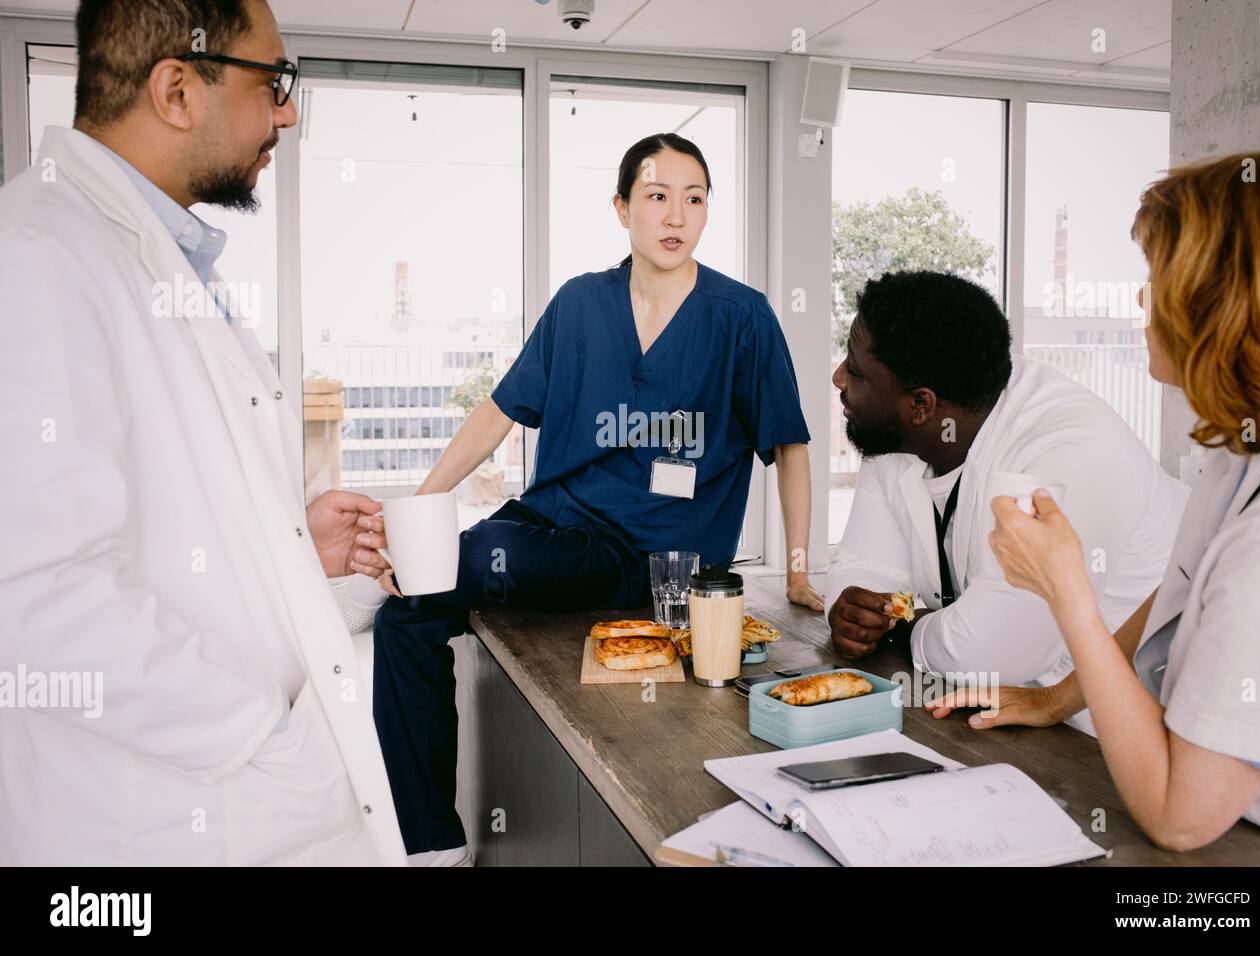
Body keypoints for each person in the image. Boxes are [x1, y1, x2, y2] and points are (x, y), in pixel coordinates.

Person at [0, 0, 405, 865]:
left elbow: (172, 521)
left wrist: (295, 543)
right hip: (156, 824)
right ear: (177, 89)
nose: (287, 113)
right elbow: (30, 593)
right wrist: (259, 728)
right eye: (274, 83)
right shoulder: (39, 254)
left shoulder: (150, 254)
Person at [366, 133, 817, 865]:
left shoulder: (742, 318)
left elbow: (790, 446)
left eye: (694, 198)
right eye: (656, 196)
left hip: (645, 558)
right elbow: (499, 411)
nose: (676, 214)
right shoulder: (580, 304)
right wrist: (417, 513)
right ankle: (431, 846)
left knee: (482, 554)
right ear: (622, 208)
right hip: (549, 524)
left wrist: (797, 568)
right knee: (404, 617)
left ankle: (435, 561)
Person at [938, 144, 1260, 849]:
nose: (1141, 298)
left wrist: (1067, 591)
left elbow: (1178, 818)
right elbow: (1178, 596)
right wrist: (1056, 698)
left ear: (1223, 304)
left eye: (1158, 275)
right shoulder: (1241, 456)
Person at [826, 271, 1186, 734]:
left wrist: (901, 625)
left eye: (854, 371)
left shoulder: (1068, 453)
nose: (837, 377)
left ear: (921, 405)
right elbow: (861, 563)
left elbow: (990, 655)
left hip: (1117, 738)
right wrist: (854, 609)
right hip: (1015, 719)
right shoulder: (899, 437)